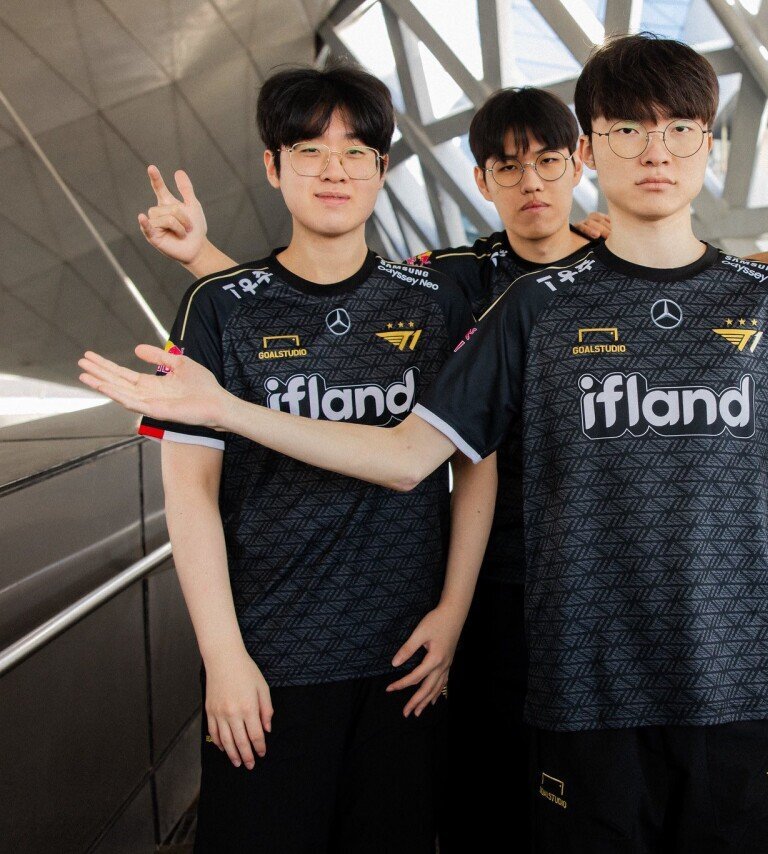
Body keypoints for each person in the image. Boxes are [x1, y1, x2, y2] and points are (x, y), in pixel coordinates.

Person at [83, 34, 768, 854]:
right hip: (583, 687)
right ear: (593, 148)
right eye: (627, 130)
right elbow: (407, 455)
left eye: (679, 129)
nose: (655, 150)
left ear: (708, 146)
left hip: (740, 686)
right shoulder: (533, 308)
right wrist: (226, 407)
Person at [139, 86, 605, 852]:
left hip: (405, 660)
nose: (335, 170)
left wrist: (450, 616)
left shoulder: (433, 301)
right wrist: (223, 657)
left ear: (382, 169)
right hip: (271, 660)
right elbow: (189, 492)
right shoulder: (214, 306)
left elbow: (474, 460)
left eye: (356, 152)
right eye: (310, 151)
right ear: (272, 166)